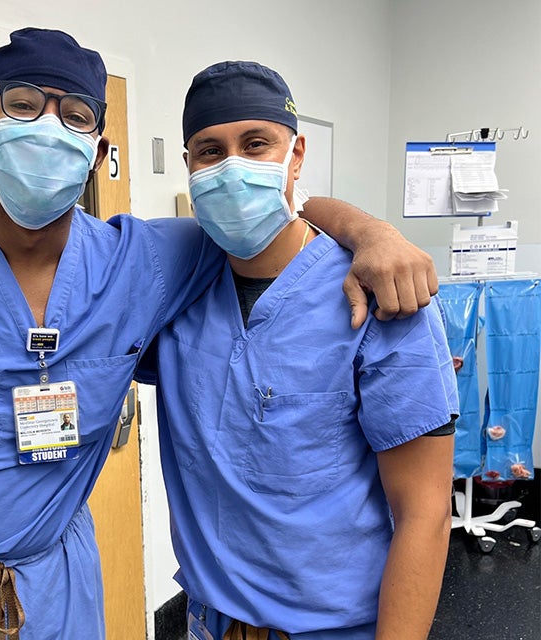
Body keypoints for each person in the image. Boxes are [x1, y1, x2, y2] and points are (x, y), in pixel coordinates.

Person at [0, 28, 440, 640]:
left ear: (97, 145)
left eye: (75, 115)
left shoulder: (145, 262)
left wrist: (371, 231)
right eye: (24, 107)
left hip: (63, 587)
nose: (48, 130)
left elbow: (287, 225)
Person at [135, 61, 458, 640]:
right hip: (211, 620)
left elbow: (425, 515)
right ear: (189, 165)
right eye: (210, 151)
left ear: (297, 154)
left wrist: (370, 231)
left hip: (334, 628)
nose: (232, 166)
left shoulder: (378, 297)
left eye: (256, 143)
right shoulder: (175, 285)